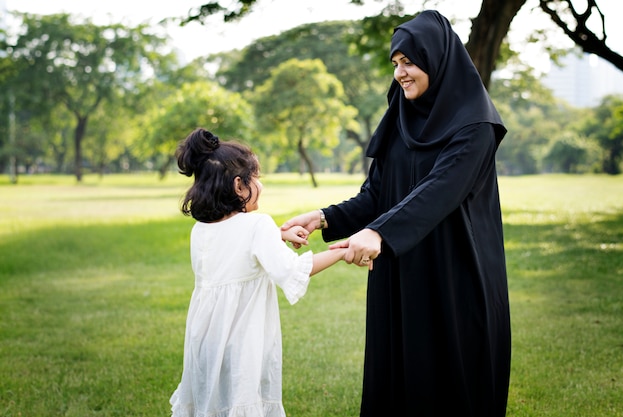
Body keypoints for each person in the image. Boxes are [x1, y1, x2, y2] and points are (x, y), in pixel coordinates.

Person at [281, 10, 510, 417]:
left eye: (409, 62)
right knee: (400, 382)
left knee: (452, 385)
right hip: (401, 274)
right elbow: (376, 195)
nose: (400, 73)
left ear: (436, 59)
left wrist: (380, 234)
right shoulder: (400, 118)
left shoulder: (476, 126)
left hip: (455, 276)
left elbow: (440, 191)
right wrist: (322, 217)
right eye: (395, 64)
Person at [169, 128, 347, 417]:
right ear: (239, 186)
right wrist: (341, 250)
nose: (261, 186)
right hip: (242, 339)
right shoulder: (257, 225)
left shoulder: (199, 230)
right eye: (257, 178)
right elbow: (292, 271)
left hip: (205, 339)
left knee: (211, 404)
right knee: (242, 402)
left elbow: (234, 252)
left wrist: (276, 235)